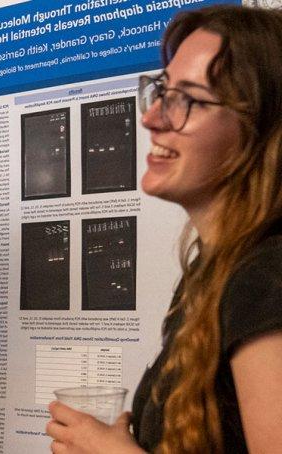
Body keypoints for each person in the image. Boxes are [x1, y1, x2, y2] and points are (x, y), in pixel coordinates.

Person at [47, 5, 282, 454]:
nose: (151, 118)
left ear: (261, 129)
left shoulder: (267, 277)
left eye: (188, 99)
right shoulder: (210, 272)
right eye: (161, 91)